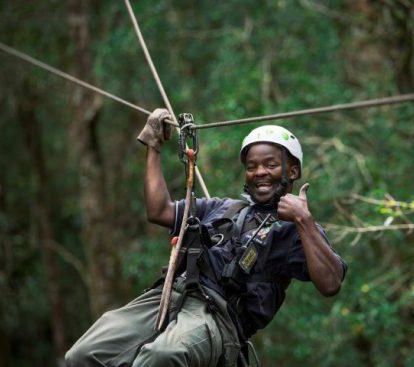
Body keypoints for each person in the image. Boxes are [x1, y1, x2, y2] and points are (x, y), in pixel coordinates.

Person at [65, 108, 347, 366]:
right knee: (84, 354)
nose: (260, 172)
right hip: (170, 295)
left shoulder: (294, 231)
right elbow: (159, 210)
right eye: (252, 166)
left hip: (218, 316)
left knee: (163, 357)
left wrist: (303, 219)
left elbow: (331, 283)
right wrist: (153, 147)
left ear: (293, 170)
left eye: (270, 165)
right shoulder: (220, 208)